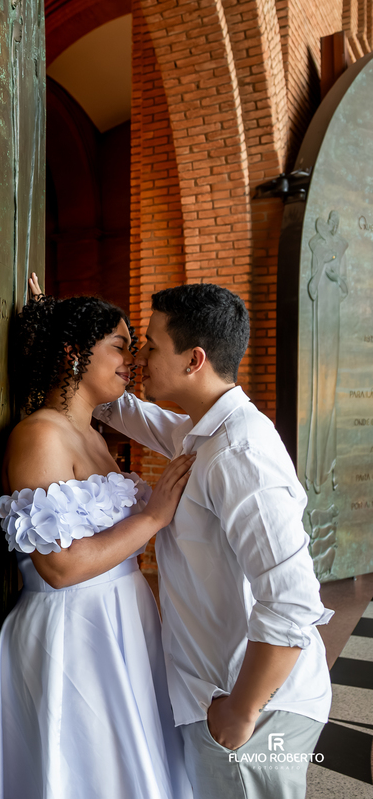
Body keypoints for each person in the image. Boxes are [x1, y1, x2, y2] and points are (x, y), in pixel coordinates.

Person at [94, 283, 333, 799]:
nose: (139, 357)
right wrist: (67, 352)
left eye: (151, 346)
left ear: (193, 359)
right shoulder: (202, 431)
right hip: (229, 696)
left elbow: (293, 601)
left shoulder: (238, 453)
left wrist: (240, 713)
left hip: (255, 708)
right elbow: (129, 413)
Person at [0, 275, 194, 799]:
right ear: (73, 351)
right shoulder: (40, 435)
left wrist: (46, 313)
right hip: (74, 631)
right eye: (121, 347)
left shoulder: (94, 433)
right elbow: (58, 568)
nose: (133, 362)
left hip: (121, 621)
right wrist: (154, 517)